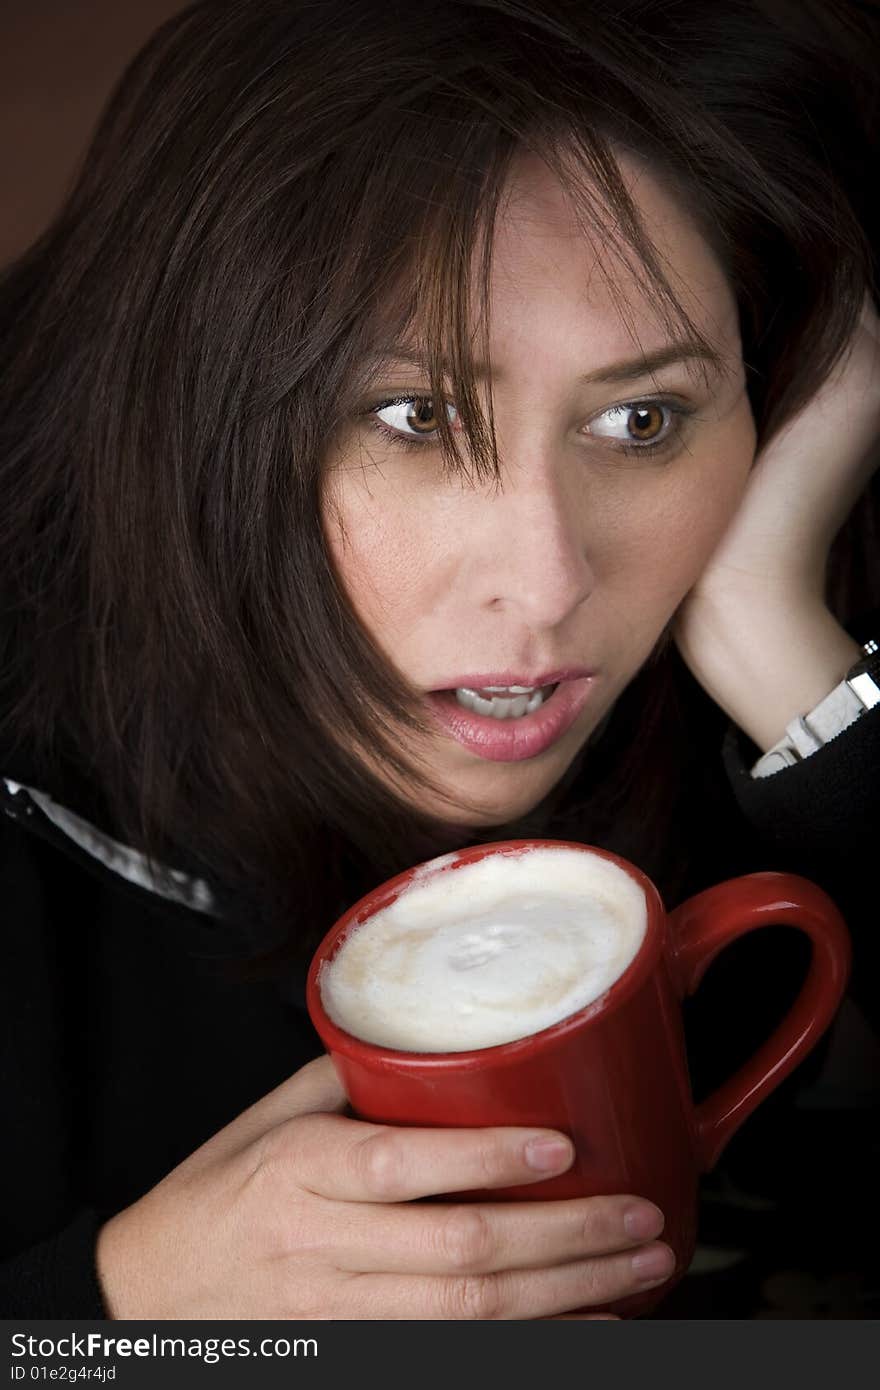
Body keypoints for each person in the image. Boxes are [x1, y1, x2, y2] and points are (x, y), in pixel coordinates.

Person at [0, 0, 877, 1320]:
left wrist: (796, 669)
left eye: (645, 417)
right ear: (190, 396)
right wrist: (119, 1308)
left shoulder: (773, 600)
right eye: (412, 414)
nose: (546, 581)